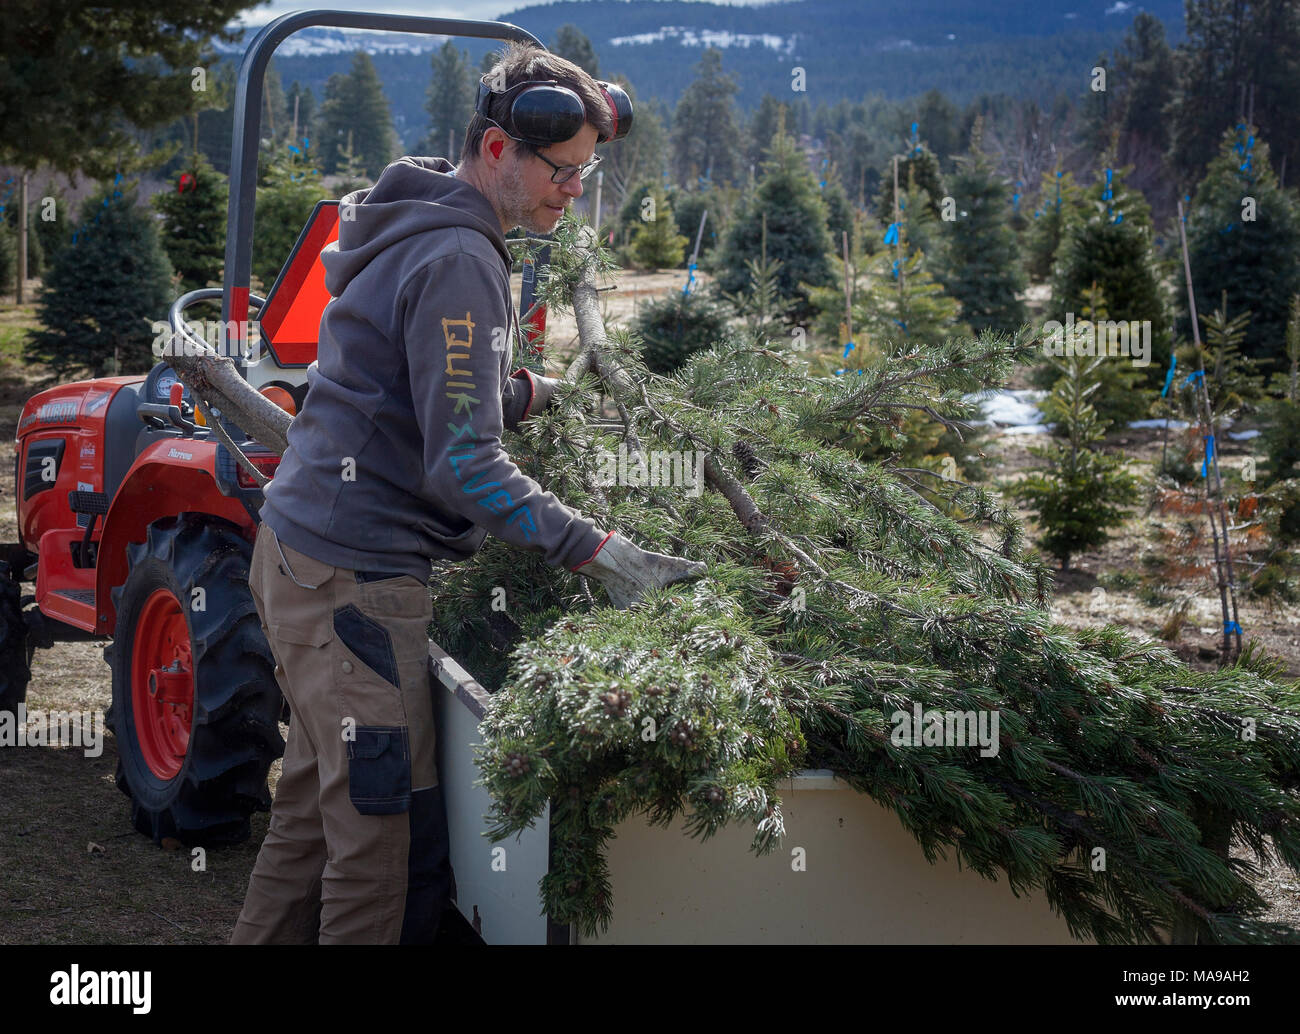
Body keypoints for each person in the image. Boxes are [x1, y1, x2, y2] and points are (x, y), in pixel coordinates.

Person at [229, 42, 705, 945]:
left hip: (297, 554)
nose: (575, 191)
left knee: (311, 815)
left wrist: (519, 392)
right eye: (561, 170)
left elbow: (394, 383)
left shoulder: (418, 215)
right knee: (376, 842)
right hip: (355, 585)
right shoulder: (460, 258)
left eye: (587, 171)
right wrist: (598, 550)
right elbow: (466, 467)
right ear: (497, 149)